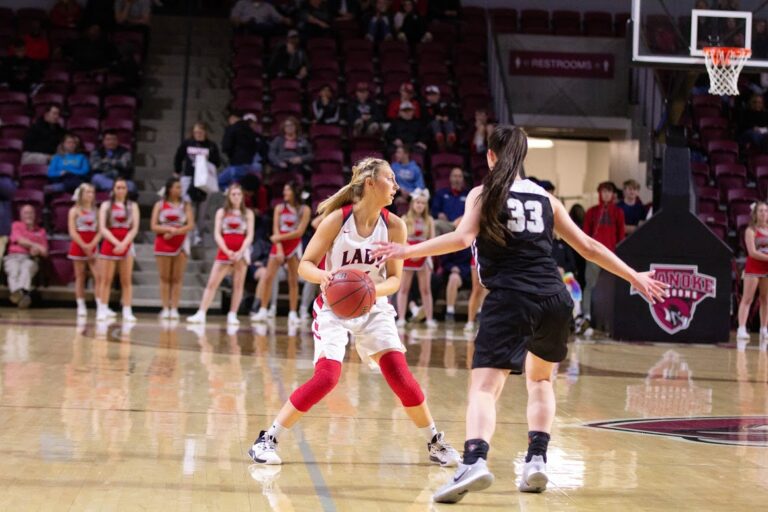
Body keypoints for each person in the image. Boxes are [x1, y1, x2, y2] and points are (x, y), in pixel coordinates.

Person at [371, 125, 667, 503]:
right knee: (540, 381)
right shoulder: (546, 198)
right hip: (555, 299)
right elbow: (589, 246)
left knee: (484, 388)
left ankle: (474, 461)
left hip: (511, 298)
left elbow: (462, 238)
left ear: (490, 156)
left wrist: (407, 250)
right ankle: (536, 460)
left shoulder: (484, 193)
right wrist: (634, 276)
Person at [248, 157, 460, 468]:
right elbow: (306, 264)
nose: (396, 185)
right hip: (333, 307)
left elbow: (395, 279)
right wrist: (325, 277)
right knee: (327, 378)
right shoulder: (337, 220)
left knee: (400, 376)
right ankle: (268, 439)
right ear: (370, 183)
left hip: (373, 306)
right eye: (390, 179)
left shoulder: (395, 226)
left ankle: (435, 443)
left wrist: (371, 290)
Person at [187, 184, 255, 326]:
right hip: (225, 251)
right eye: (233, 194)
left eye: (239, 194)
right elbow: (217, 234)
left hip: (241, 253)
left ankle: (233, 314)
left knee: (238, 285)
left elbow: (249, 235)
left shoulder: (248, 213)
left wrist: (240, 252)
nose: (236, 197)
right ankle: (201, 313)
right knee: (212, 283)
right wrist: (227, 251)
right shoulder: (221, 212)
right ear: (228, 196)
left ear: (242, 196)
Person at [251, 182, 311, 323]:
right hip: (279, 245)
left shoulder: (305, 209)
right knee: (268, 277)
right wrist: (278, 247)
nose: (284, 192)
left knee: (293, 280)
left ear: (295, 192)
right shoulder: (279, 208)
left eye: (287, 190)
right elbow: (275, 229)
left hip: (293, 245)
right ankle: (263, 310)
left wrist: (279, 238)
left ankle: (293, 313)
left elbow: (299, 232)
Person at [581, 182, 625, 331]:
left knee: (609, 287)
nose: (606, 194)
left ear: (613, 194)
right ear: (599, 193)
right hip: (593, 255)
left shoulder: (618, 212)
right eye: (603, 191)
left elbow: (621, 236)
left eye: (609, 192)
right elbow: (585, 234)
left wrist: (618, 255)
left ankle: (607, 318)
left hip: (611, 255)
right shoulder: (591, 212)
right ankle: (587, 315)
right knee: (590, 285)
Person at [96, 178, 140, 322]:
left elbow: (134, 228)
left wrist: (124, 243)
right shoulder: (106, 205)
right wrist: (116, 243)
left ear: (127, 190)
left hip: (127, 243)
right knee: (106, 279)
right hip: (110, 242)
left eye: (123, 188)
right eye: (118, 187)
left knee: (126, 280)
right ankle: (102, 308)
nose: (120, 190)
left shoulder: (133, 206)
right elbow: (102, 228)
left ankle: (127, 310)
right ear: (113, 189)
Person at [151, 177, 195, 320]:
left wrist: (175, 232)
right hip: (163, 242)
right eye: (177, 187)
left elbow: (190, 225)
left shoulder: (186, 205)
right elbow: (153, 226)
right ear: (169, 189)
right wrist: (168, 230)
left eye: (180, 187)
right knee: (164, 277)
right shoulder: (159, 205)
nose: (180, 190)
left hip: (180, 242)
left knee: (177, 278)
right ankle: (165, 308)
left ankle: (175, 308)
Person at [173, 122, 221, 245]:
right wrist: (177, 170)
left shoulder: (211, 146)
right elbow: (179, 156)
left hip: (204, 180)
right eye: (196, 132)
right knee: (188, 206)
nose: (198, 134)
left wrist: (207, 161)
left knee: (202, 209)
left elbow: (217, 162)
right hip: (189, 177)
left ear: (205, 132)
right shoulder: (187, 143)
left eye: (200, 132)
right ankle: (190, 233)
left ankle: (199, 235)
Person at [397, 189, 437, 328]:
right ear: (412, 204)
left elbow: (432, 240)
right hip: (408, 254)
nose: (420, 205)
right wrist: (411, 252)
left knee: (425, 289)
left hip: (424, 254)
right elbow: (401, 239)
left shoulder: (430, 220)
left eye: (423, 203)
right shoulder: (404, 219)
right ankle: (401, 318)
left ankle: (429, 319)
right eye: (418, 202)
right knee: (404, 288)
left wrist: (421, 253)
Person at [3, 204, 48, 309]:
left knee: (26, 269)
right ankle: (23, 297)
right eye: (26, 213)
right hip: (13, 257)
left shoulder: (41, 231)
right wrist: (36, 245)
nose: (29, 215)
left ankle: (18, 295)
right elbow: (20, 240)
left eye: (31, 213)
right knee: (13, 270)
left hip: (30, 258)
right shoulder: (16, 225)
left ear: (35, 215)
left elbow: (45, 251)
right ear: (21, 215)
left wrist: (37, 251)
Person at [68, 184, 102, 317]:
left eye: (92, 192)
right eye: (87, 192)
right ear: (81, 194)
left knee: (98, 276)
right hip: (79, 244)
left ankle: (100, 305)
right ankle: (81, 305)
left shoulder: (97, 211)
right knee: (80, 276)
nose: (90, 194)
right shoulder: (74, 211)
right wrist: (84, 245)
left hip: (93, 244)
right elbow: (72, 231)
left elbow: (100, 231)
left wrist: (92, 245)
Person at [737, 201, 768, 341]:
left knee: (765, 299)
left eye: (766, 211)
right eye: (761, 211)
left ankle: (764, 329)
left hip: (766, 268)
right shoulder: (750, 230)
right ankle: (741, 328)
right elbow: (752, 253)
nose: (764, 213)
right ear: (755, 213)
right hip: (754, 267)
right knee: (747, 298)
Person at [220, 113, 268, 190]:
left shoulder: (259, 137)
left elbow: (264, 152)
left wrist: (261, 161)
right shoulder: (238, 131)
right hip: (239, 164)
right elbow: (227, 147)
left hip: (251, 166)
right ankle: (232, 194)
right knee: (221, 181)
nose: (250, 124)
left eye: (251, 122)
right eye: (247, 122)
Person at [90, 130, 136, 195]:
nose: (111, 142)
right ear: (103, 141)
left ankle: (114, 190)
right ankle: (117, 189)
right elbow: (95, 166)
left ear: (117, 141)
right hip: (103, 177)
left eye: (114, 139)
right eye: (108, 139)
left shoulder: (125, 152)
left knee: (131, 186)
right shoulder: (96, 152)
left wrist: (108, 161)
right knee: (96, 178)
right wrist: (116, 163)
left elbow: (125, 165)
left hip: (120, 179)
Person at [431, 167, 468, 236]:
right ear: (450, 178)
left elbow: (472, 211)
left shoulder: (468, 194)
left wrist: (463, 218)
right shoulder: (441, 193)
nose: (457, 179)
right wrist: (439, 214)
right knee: (435, 224)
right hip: (447, 224)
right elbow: (434, 210)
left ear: (463, 179)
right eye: (455, 176)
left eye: (460, 176)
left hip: (463, 225)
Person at [423, 85, 456, 151]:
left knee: (449, 122)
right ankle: (439, 137)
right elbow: (424, 118)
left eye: (434, 95)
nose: (431, 97)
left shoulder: (445, 104)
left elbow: (452, 114)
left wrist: (447, 117)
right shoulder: (424, 105)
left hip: (444, 124)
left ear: (438, 95)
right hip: (430, 126)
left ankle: (450, 137)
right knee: (434, 122)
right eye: (429, 95)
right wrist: (434, 117)